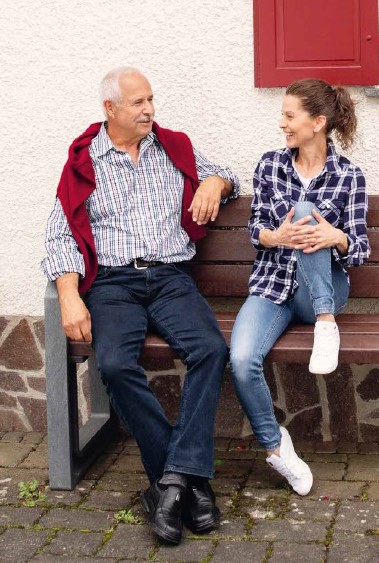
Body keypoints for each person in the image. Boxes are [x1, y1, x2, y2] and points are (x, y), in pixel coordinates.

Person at [41, 67, 240, 544]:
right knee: (111, 361)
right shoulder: (85, 161)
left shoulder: (172, 147)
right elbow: (59, 232)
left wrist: (214, 185)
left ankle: (169, 485)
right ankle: (189, 479)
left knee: (211, 350)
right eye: (138, 103)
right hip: (112, 283)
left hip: (170, 277)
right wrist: (69, 295)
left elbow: (225, 173)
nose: (149, 109)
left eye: (151, 99)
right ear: (110, 109)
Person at [229, 78, 370, 496]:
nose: (282, 124)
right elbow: (256, 226)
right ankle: (276, 448)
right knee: (240, 359)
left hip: (320, 295)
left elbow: (360, 248)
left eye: (290, 116)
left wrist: (335, 238)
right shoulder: (270, 165)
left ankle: (326, 323)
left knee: (309, 213)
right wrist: (274, 237)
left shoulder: (349, 176)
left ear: (318, 122)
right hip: (272, 286)